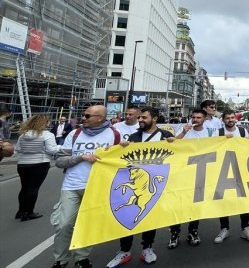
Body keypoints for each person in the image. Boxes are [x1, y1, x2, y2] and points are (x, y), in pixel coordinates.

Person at [52, 105, 121, 268]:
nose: (83, 118)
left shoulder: (114, 135)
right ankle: (60, 260)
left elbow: (121, 162)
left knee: (88, 225)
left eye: (88, 115)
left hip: (97, 187)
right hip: (71, 185)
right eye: (84, 115)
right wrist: (81, 157)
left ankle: (81, 258)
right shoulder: (74, 134)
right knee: (64, 225)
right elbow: (59, 161)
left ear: (100, 118)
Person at [106, 107, 175, 267]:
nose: (140, 120)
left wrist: (174, 144)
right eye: (140, 118)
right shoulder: (134, 137)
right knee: (127, 215)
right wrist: (119, 149)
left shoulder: (165, 136)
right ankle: (124, 250)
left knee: (149, 216)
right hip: (134, 182)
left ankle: (147, 248)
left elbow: (178, 156)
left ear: (155, 118)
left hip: (153, 185)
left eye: (144, 117)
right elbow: (122, 159)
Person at [170, 109, 213, 248]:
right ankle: (174, 234)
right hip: (183, 173)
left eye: (198, 117)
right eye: (193, 117)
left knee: (195, 204)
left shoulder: (211, 132)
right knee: (178, 204)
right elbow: (173, 144)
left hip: (201, 172)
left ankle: (193, 231)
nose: (195, 119)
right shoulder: (184, 130)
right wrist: (183, 132)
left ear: (204, 119)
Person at [213, 109, 249, 244]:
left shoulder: (242, 131)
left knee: (242, 199)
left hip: (240, 170)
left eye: (232, 117)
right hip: (223, 170)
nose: (230, 120)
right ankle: (224, 228)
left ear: (235, 118)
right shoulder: (218, 133)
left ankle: (245, 228)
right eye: (227, 118)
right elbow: (212, 149)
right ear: (223, 120)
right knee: (223, 200)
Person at [15, 114, 61, 221]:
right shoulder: (47, 135)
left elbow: (18, 149)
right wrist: (60, 147)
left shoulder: (23, 135)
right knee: (33, 188)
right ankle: (29, 212)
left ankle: (20, 211)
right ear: (44, 123)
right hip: (40, 163)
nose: (50, 123)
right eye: (48, 122)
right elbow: (52, 150)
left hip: (22, 163)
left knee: (24, 188)